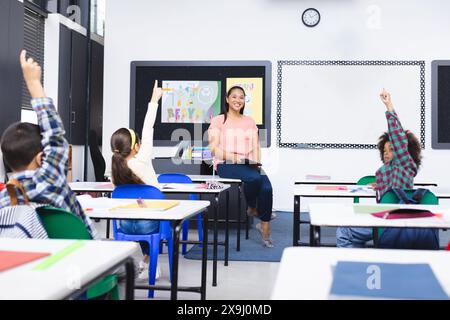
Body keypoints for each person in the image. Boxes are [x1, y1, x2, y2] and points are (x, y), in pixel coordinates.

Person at [0, 50, 97, 239]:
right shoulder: (50, 181)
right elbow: (55, 134)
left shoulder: (5, 200)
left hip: (39, 266)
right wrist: (34, 83)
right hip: (85, 261)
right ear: (41, 157)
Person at [336, 89, 422, 248]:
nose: (387, 153)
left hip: (391, 220)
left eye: (392, 149)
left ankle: (354, 267)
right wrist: (381, 185)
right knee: (351, 218)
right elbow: (392, 189)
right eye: (384, 150)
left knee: (344, 231)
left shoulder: (404, 163)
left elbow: (398, 137)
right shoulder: (388, 171)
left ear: (404, 150)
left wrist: (389, 106)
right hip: (388, 216)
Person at [208, 86, 274, 248]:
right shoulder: (218, 120)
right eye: (234, 97)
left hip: (248, 163)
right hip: (226, 163)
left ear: (245, 101)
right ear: (227, 99)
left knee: (267, 188)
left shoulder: (249, 121)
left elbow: (256, 146)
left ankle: (263, 224)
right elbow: (213, 148)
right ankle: (252, 207)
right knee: (254, 178)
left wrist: (256, 162)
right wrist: (235, 158)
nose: (238, 100)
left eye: (241, 97)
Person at [110, 80, 162, 279]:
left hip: (125, 225)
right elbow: (148, 128)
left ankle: (147, 260)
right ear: (136, 147)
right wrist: (153, 100)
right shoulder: (142, 160)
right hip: (149, 223)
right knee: (165, 222)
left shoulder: (115, 167)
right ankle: (152, 262)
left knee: (138, 213)